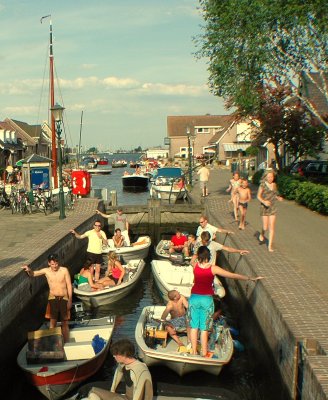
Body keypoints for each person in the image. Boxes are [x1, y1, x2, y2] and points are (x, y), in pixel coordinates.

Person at [187, 246, 263, 357]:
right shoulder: (213, 268)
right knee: (204, 328)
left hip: (194, 298)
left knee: (194, 327)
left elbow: (192, 259)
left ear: (199, 256)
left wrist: (195, 254)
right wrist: (249, 278)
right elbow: (231, 275)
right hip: (206, 300)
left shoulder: (195, 266)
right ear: (209, 256)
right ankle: (204, 352)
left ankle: (193, 351)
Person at [21, 254, 72, 343]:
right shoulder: (46, 271)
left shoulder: (64, 270)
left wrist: (70, 300)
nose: (55, 266)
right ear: (49, 263)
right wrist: (29, 270)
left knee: (65, 322)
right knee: (53, 322)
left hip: (64, 298)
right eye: (52, 264)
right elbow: (33, 274)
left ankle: (67, 342)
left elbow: (69, 285)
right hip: (52, 298)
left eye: (56, 263)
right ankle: (53, 343)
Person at [86, 339, 153, 400]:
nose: (113, 356)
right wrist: (112, 390)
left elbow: (139, 393)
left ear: (124, 354)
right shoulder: (123, 364)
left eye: (116, 354)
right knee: (93, 392)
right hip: (125, 398)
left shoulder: (140, 370)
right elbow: (118, 373)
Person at [257, 170, 283, 252]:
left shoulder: (274, 185)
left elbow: (274, 194)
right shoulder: (262, 185)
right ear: (265, 177)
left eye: (271, 177)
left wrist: (278, 198)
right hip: (264, 207)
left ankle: (270, 246)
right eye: (268, 177)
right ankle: (262, 234)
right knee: (265, 227)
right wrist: (264, 201)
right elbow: (258, 196)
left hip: (272, 207)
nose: (270, 178)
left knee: (272, 227)